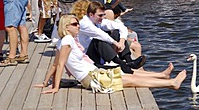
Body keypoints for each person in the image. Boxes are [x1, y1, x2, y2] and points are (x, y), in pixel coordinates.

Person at [33, 14, 187, 94]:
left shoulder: (62, 41)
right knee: (132, 81)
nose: (78, 26)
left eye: (78, 23)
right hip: (93, 79)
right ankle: (171, 83)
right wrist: (55, 87)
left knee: (131, 78)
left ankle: (164, 77)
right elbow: (59, 65)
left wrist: (47, 82)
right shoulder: (67, 39)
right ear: (66, 27)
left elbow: (55, 65)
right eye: (74, 24)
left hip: (95, 74)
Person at [78, 1, 144, 74]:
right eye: (100, 15)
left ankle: (129, 61)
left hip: (99, 52)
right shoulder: (84, 24)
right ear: (91, 14)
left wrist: (121, 42)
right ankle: (122, 64)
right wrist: (116, 43)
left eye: (103, 15)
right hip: (89, 55)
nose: (102, 18)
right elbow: (100, 34)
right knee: (98, 40)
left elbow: (121, 27)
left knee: (115, 32)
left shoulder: (97, 20)